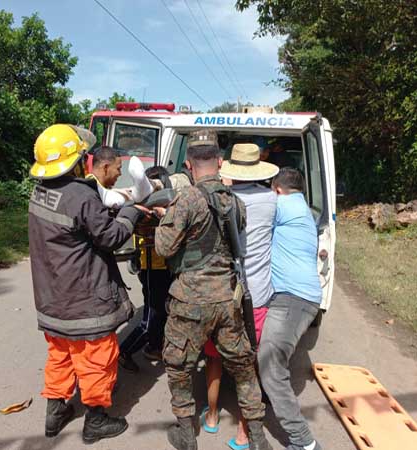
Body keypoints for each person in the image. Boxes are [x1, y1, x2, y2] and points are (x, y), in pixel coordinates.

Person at [155, 130, 272, 450]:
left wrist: (164, 220)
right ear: (220, 163)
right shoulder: (236, 202)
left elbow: (164, 248)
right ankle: (259, 438)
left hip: (190, 301)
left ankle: (185, 432)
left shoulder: (187, 199)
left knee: (178, 364)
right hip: (227, 299)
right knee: (244, 368)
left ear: (189, 166)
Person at [28, 124, 146, 444]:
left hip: (52, 298)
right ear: (78, 160)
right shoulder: (80, 194)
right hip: (85, 299)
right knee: (97, 356)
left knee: (61, 354)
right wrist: (131, 212)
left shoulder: (40, 191)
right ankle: (95, 420)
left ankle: (55, 413)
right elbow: (110, 237)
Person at [200, 143, 279, 450]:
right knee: (251, 364)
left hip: (220, 291)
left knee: (213, 356)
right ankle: (244, 434)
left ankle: (211, 416)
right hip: (257, 294)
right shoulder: (273, 200)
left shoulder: (220, 199)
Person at [260, 168, 324, 450]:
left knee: (270, 364)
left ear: (276, 190)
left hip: (293, 299)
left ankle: (304, 442)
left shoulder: (283, 205)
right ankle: (269, 397)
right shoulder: (304, 209)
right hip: (299, 297)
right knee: (273, 361)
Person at [118, 165, 174, 373]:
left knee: (162, 310)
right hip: (151, 266)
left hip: (162, 265)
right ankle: (124, 351)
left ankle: (154, 347)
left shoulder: (162, 203)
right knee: (152, 316)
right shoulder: (143, 208)